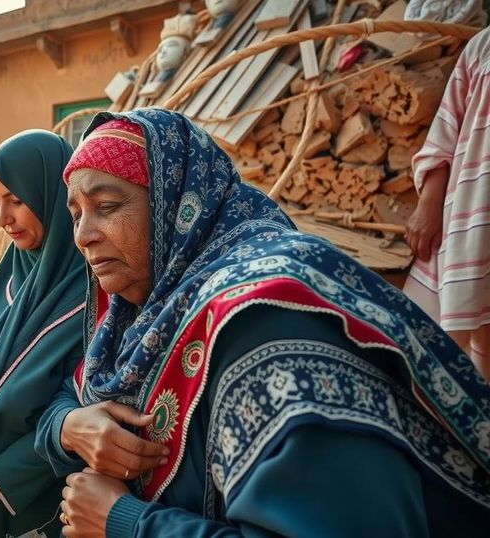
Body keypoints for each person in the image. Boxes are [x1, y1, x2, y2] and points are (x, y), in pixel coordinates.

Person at [35, 110, 490, 537]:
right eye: (75, 214)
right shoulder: (141, 313)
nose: (83, 234)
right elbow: (70, 389)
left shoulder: (267, 318)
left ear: (178, 205)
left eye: (108, 205)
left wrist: (125, 522)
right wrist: (70, 425)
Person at [0, 130, 133, 538]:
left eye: (16, 201)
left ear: (53, 197)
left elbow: (77, 414)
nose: (3, 219)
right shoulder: (13, 276)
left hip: (23, 510)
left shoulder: (98, 298)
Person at [404, 27, 490, 382]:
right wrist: (428, 206)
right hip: (470, 220)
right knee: (442, 356)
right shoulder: (483, 45)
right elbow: (446, 130)